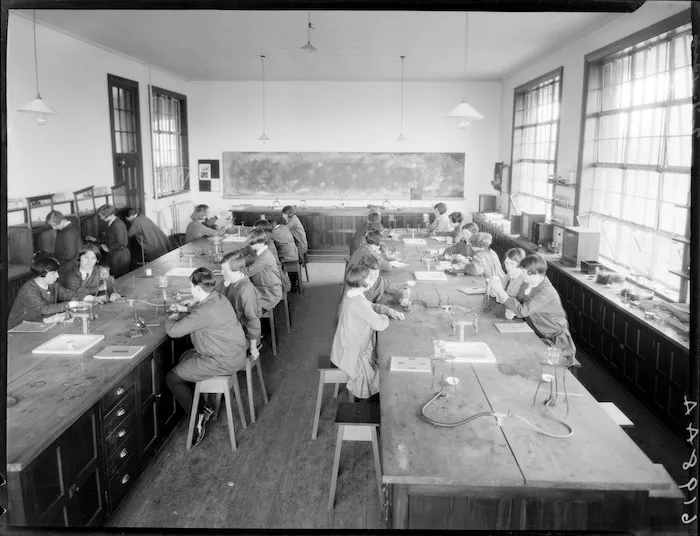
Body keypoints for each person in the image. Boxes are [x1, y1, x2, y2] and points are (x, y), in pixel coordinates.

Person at [165, 268, 248, 446]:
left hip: (222, 360)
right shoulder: (218, 298)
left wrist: (172, 316)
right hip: (234, 353)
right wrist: (184, 308)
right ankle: (203, 406)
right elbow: (202, 312)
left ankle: (197, 420)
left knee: (172, 378)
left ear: (196, 288)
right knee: (185, 357)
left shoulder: (203, 311)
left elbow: (173, 331)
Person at [331, 265, 402, 402]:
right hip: (353, 355)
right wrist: (387, 317)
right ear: (363, 282)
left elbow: (370, 306)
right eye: (370, 278)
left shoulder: (352, 295)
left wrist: (387, 310)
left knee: (377, 363)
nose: (373, 280)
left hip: (344, 347)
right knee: (381, 374)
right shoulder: (358, 302)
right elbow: (379, 324)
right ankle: (368, 405)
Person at [489, 253, 576, 360]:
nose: (522, 275)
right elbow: (519, 304)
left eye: (524, 273)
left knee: (551, 367)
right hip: (537, 332)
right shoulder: (528, 283)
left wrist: (501, 292)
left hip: (555, 338)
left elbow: (522, 311)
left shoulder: (546, 291)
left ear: (535, 273)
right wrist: (512, 312)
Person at [8, 256, 98, 329]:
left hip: (41, 324)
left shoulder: (53, 285)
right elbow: (44, 309)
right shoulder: (28, 290)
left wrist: (91, 298)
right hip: (21, 328)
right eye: (54, 273)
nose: (57, 276)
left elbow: (68, 294)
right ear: (42, 274)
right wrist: (73, 304)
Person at [216, 252, 263, 356]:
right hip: (231, 328)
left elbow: (252, 319)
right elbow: (213, 298)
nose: (222, 272)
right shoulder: (228, 281)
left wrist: (253, 347)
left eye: (225, 269)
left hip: (243, 335)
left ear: (236, 271)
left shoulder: (246, 290)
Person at [241, 229, 285, 311]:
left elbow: (248, 272)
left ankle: (256, 321)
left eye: (250, 242)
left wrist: (231, 268)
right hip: (264, 288)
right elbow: (250, 260)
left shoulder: (265, 257)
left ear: (256, 243)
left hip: (270, 293)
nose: (249, 244)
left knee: (243, 301)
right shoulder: (262, 252)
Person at [87, 205, 131, 278]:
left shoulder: (118, 225)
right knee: (115, 275)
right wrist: (95, 239)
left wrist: (108, 249)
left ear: (109, 215)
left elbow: (122, 243)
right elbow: (110, 238)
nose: (100, 218)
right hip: (114, 254)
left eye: (102, 216)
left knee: (121, 278)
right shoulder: (111, 223)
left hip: (120, 256)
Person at [496, 248, 529, 319]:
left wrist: (513, 313)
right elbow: (499, 296)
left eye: (512, 263)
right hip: (505, 311)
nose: (508, 267)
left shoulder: (524, 281)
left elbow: (523, 308)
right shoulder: (510, 274)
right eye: (506, 263)